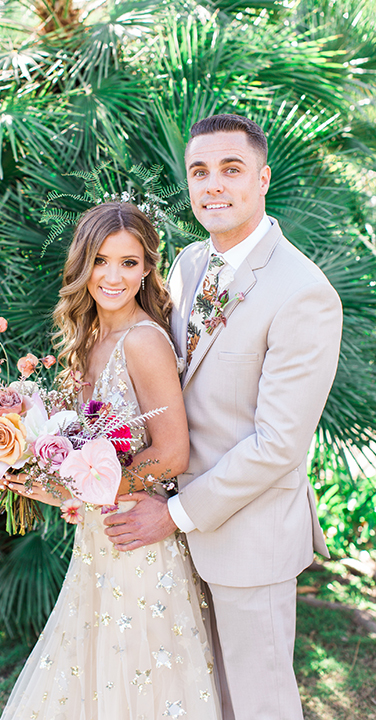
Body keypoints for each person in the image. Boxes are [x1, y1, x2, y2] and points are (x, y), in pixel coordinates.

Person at [104, 114, 343, 720]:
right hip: (173, 532)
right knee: (201, 698)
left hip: (249, 537)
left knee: (258, 703)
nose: (213, 184)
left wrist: (175, 515)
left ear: (262, 179)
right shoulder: (186, 265)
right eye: (200, 171)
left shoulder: (302, 292)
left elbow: (278, 444)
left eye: (230, 170)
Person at [0, 202, 222, 720]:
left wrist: (85, 488)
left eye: (128, 262)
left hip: (138, 542)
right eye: (101, 261)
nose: (113, 276)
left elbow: (172, 453)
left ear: (147, 267)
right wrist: (31, 468)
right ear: (83, 265)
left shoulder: (144, 341)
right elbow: (79, 449)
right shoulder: (87, 338)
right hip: (96, 543)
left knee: (140, 685)